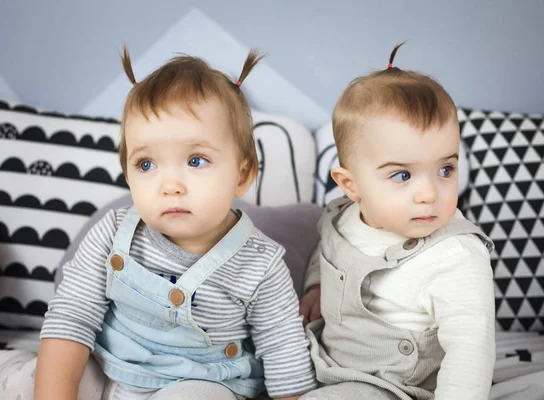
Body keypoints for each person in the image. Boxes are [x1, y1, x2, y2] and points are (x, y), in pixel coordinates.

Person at [5, 46, 317, 400]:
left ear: (242, 175)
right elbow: (71, 319)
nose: (170, 186)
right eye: (146, 165)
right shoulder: (113, 233)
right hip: (109, 368)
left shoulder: (261, 265)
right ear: (128, 175)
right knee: (35, 381)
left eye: (196, 161)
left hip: (202, 383)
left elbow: (285, 355)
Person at [299, 43, 496, 400]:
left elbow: (472, 348)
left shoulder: (456, 254)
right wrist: (315, 287)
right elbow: (327, 252)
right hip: (327, 361)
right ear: (350, 184)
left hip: (396, 386)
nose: (428, 194)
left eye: (445, 169)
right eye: (402, 176)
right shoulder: (339, 216)